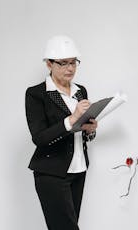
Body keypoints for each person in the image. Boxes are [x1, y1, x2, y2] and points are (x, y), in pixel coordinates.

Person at [25, 35, 98, 230]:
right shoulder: (36, 94)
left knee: (69, 225)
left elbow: (81, 132)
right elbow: (39, 138)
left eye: (74, 62)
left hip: (79, 169)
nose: (70, 68)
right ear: (49, 64)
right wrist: (72, 119)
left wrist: (89, 130)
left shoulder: (80, 90)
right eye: (63, 63)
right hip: (51, 172)